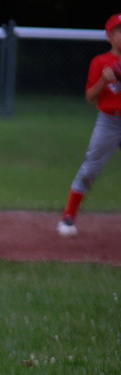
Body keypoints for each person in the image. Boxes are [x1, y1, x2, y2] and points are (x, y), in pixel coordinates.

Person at [57, 12, 121, 238]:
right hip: (109, 122)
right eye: (119, 31)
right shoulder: (100, 62)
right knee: (90, 168)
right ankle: (68, 216)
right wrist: (104, 80)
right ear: (109, 36)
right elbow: (90, 97)